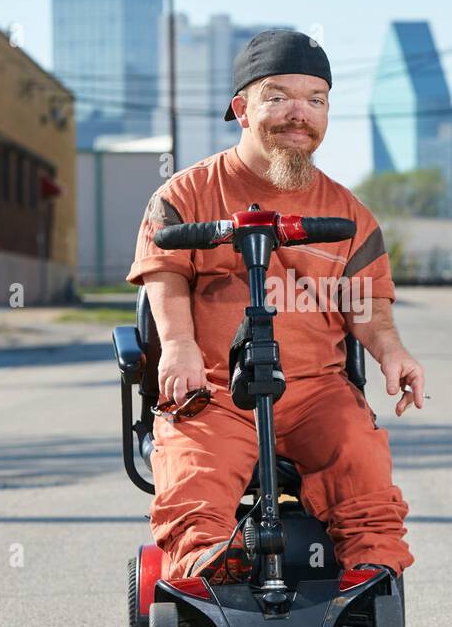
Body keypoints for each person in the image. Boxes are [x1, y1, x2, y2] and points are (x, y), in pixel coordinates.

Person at [126, 29, 425, 584]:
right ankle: (209, 564)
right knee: (195, 474)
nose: (300, 114)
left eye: (316, 100)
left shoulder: (348, 213)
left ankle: (370, 572)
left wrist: (392, 353)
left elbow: (368, 305)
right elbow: (162, 273)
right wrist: (179, 348)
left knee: (360, 458)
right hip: (214, 391)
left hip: (315, 391)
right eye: (280, 97)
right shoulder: (185, 195)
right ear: (242, 108)